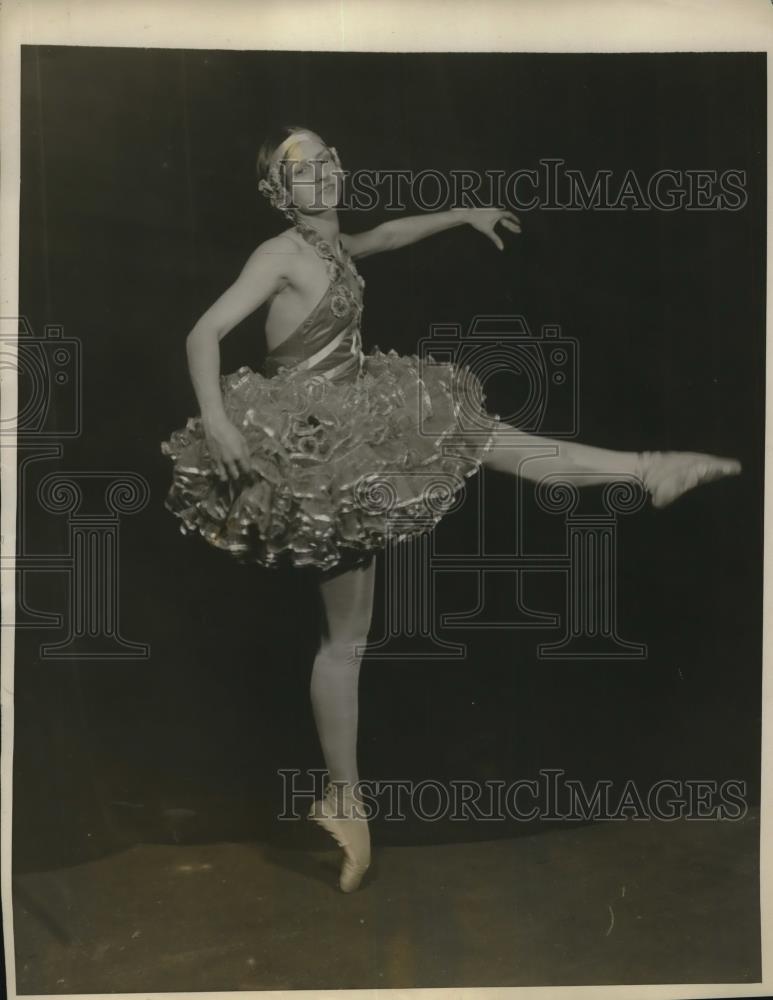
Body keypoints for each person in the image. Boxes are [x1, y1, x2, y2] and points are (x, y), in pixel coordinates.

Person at [161, 125, 742, 893]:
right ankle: (346, 799)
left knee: (486, 445)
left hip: (362, 418)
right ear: (278, 191)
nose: (326, 173)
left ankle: (647, 468)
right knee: (344, 642)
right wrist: (223, 422)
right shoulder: (279, 255)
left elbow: (387, 234)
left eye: (330, 158)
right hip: (312, 448)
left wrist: (462, 212)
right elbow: (203, 332)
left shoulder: (332, 244)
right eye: (305, 170)